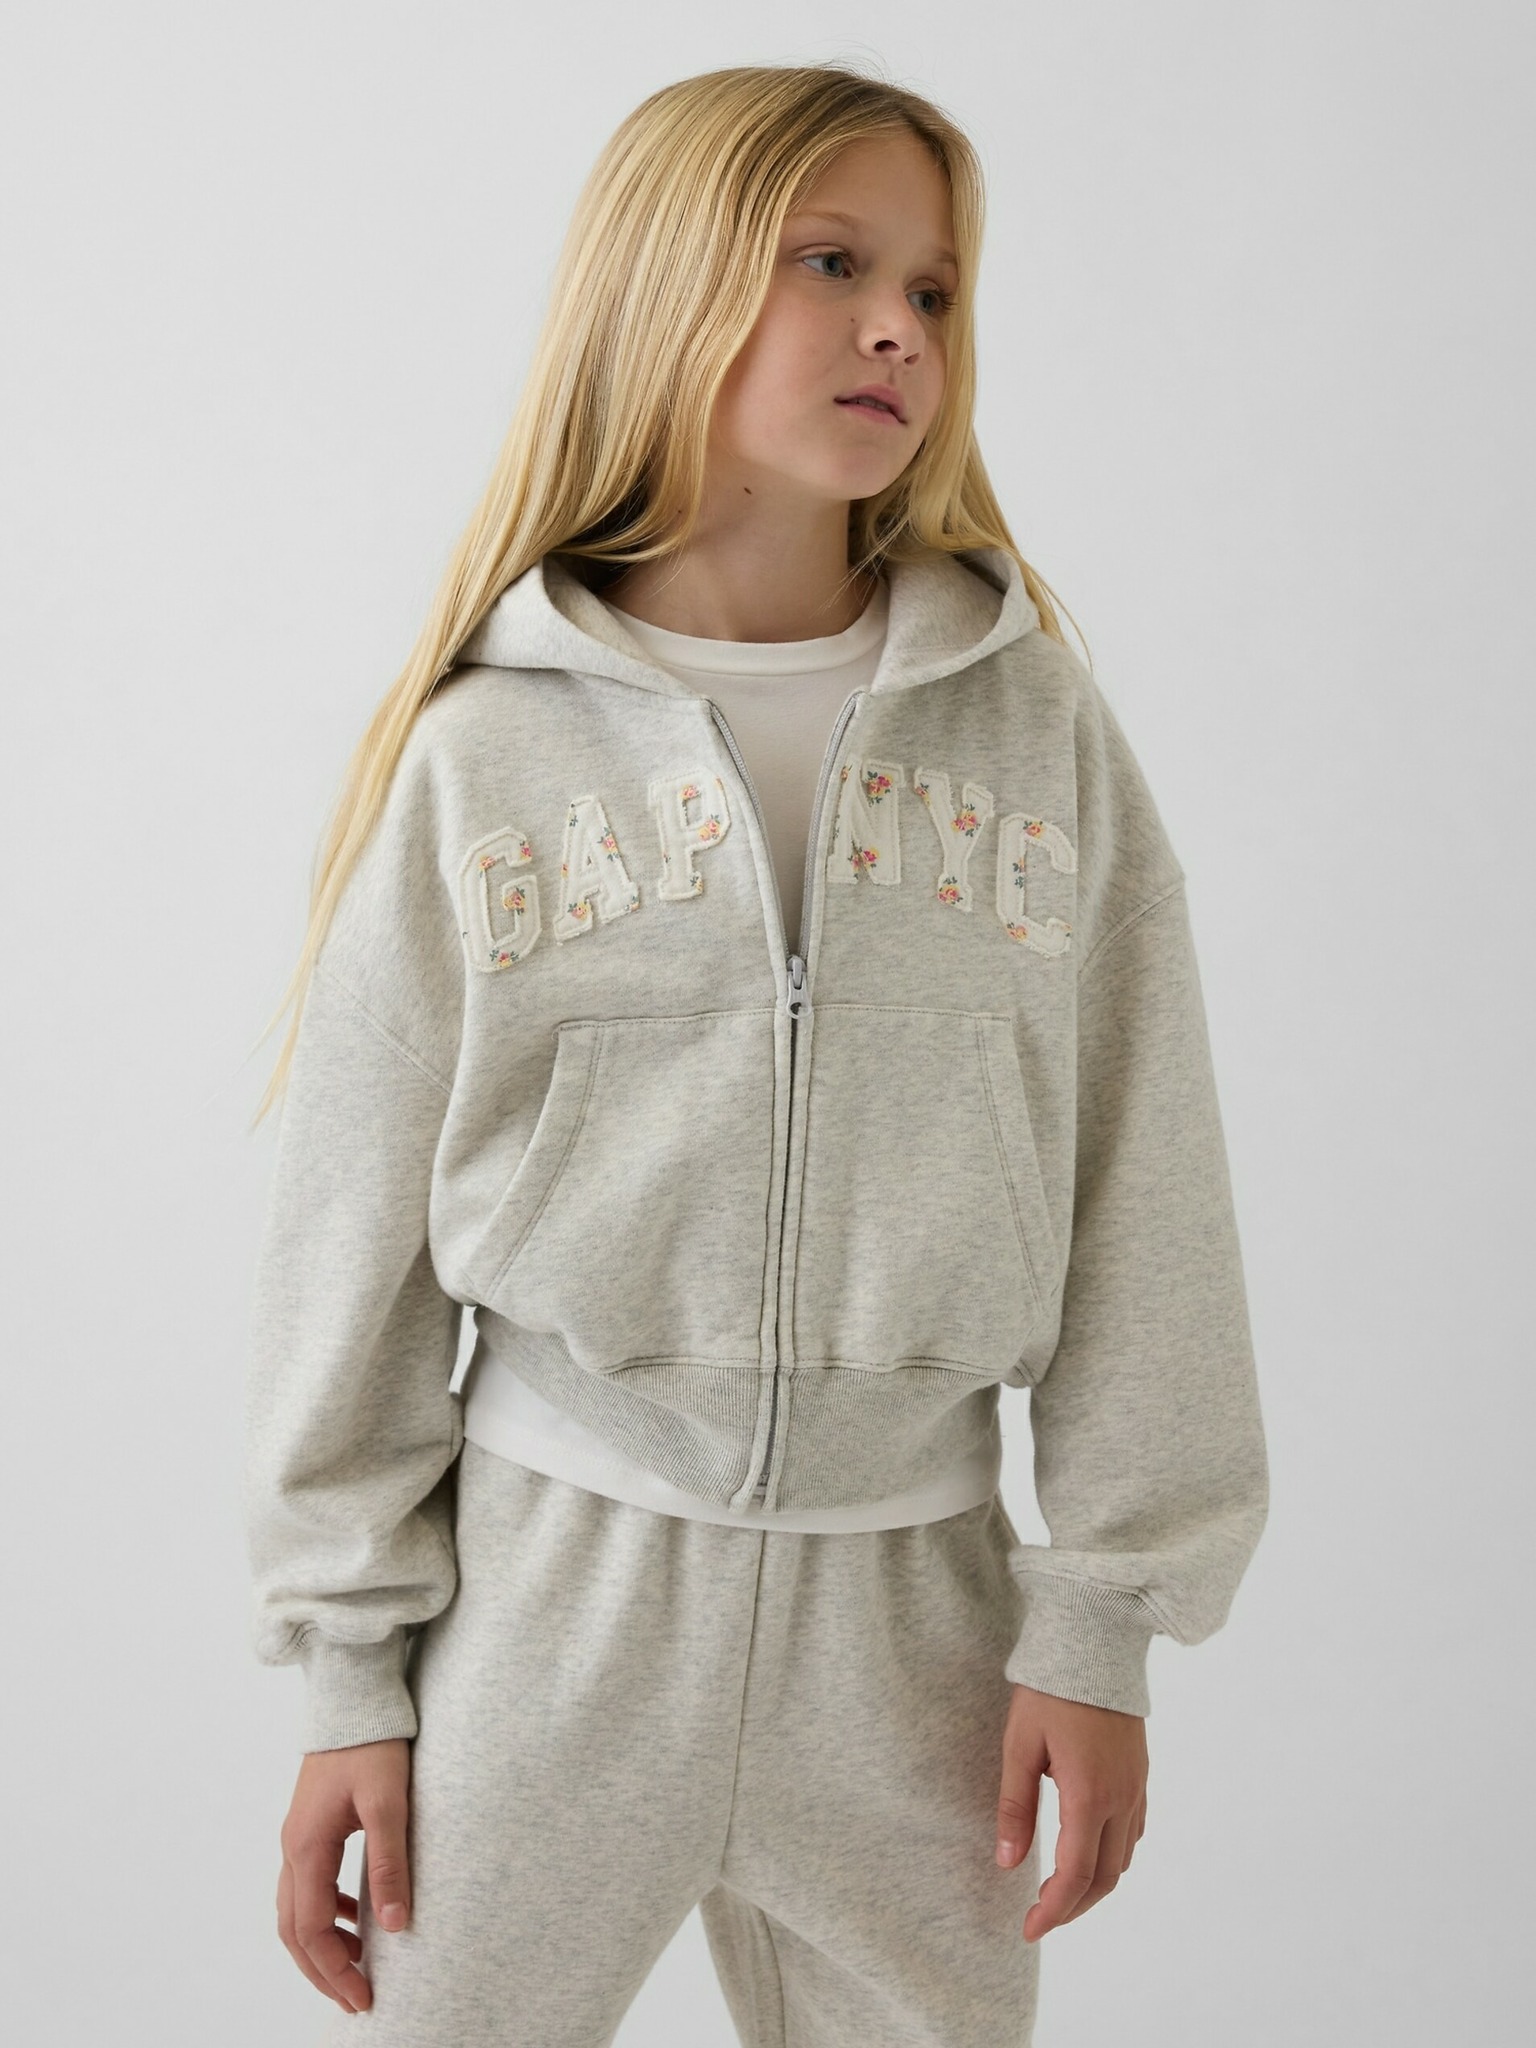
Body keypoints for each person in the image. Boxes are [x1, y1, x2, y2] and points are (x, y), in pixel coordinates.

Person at [243, 61, 1270, 2046]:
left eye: (936, 290)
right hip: (550, 1608)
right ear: (666, 285)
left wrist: (1101, 1626)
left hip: (919, 1634)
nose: (901, 328)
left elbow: (1149, 1180)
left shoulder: (1033, 733)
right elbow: (347, 1238)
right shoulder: (485, 751)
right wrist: (348, 1675)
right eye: (832, 264)